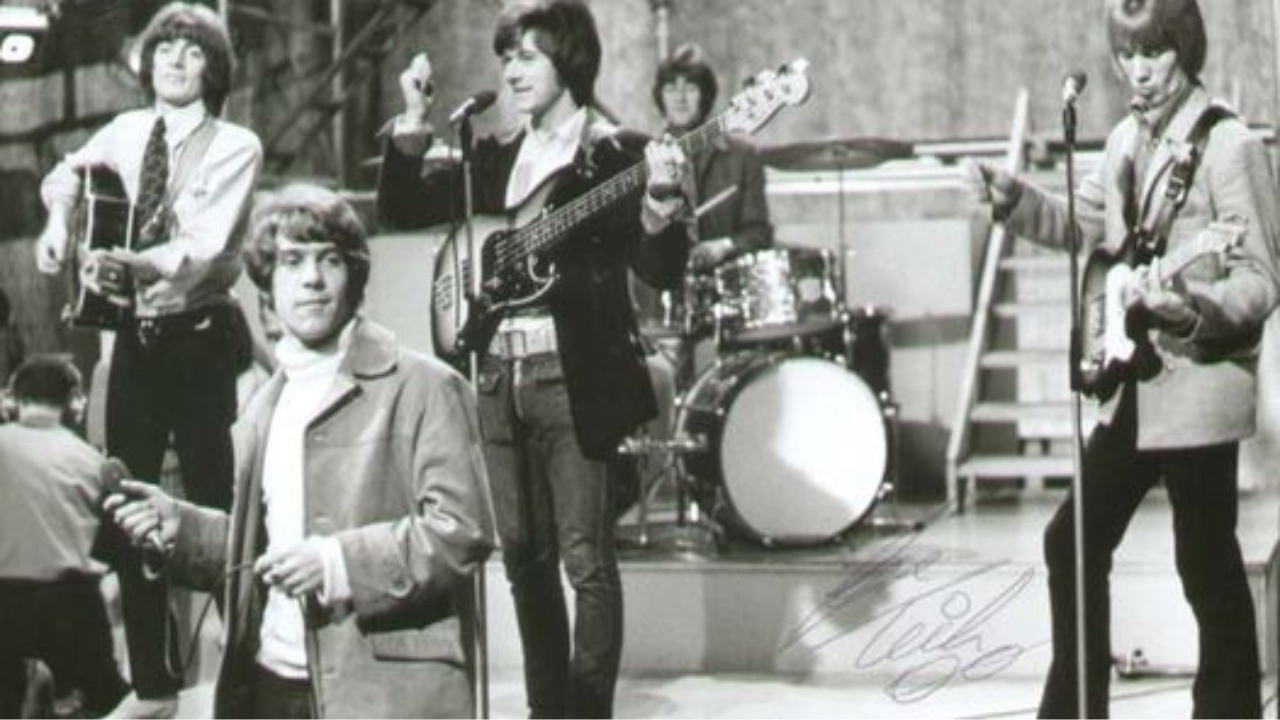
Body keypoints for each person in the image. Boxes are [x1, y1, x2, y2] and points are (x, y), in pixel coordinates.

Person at [967, 0, 1280, 716]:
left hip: (1197, 385)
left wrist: (1191, 308)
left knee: (1204, 562)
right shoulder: (1122, 140)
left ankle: (1228, 709)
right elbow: (1087, 229)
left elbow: (1261, 278)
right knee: (1071, 543)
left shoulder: (1230, 145)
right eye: (1126, 55)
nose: (1138, 70)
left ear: (1185, 49)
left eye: (1154, 52)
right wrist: (1014, 201)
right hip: (1130, 380)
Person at [377, 1, 691, 715]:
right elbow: (400, 208)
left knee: (586, 559)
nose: (511, 71)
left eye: (527, 56)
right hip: (495, 376)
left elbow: (660, 268)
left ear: (568, 60)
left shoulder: (619, 154)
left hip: (571, 375)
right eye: (506, 58)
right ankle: (544, 707)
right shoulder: (492, 156)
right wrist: (413, 121)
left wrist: (661, 202)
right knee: (522, 560)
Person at [105, 184, 495, 718]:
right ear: (267, 285)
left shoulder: (426, 386)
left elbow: (462, 531)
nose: (311, 278)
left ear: (354, 276)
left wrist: (337, 562)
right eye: (291, 262)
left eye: (329, 260)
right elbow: (267, 550)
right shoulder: (264, 408)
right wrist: (184, 530)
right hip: (270, 685)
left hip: (380, 695)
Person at [34, 3, 262, 715]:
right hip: (136, 341)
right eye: (165, 48)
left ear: (213, 70)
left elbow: (199, 245)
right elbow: (65, 174)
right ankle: (155, 686)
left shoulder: (236, 145)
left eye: (192, 52)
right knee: (128, 502)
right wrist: (58, 224)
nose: (174, 60)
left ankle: (242, 669)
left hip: (199, 339)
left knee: (214, 507)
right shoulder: (127, 131)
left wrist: (129, 264)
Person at [0, 356, 130, 718]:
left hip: (4, 602)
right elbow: (117, 544)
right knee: (111, 703)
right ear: (73, 401)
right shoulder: (92, 461)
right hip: (72, 601)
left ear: (14, 398)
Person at [652, 42, 773, 270]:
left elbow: (760, 233)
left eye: (690, 88)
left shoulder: (743, 155)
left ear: (705, 95)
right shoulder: (645, 157)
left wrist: (725, 246)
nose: (680, 98)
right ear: (660, 98)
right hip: (664, 285)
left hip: (725, 281)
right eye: (670, 89)